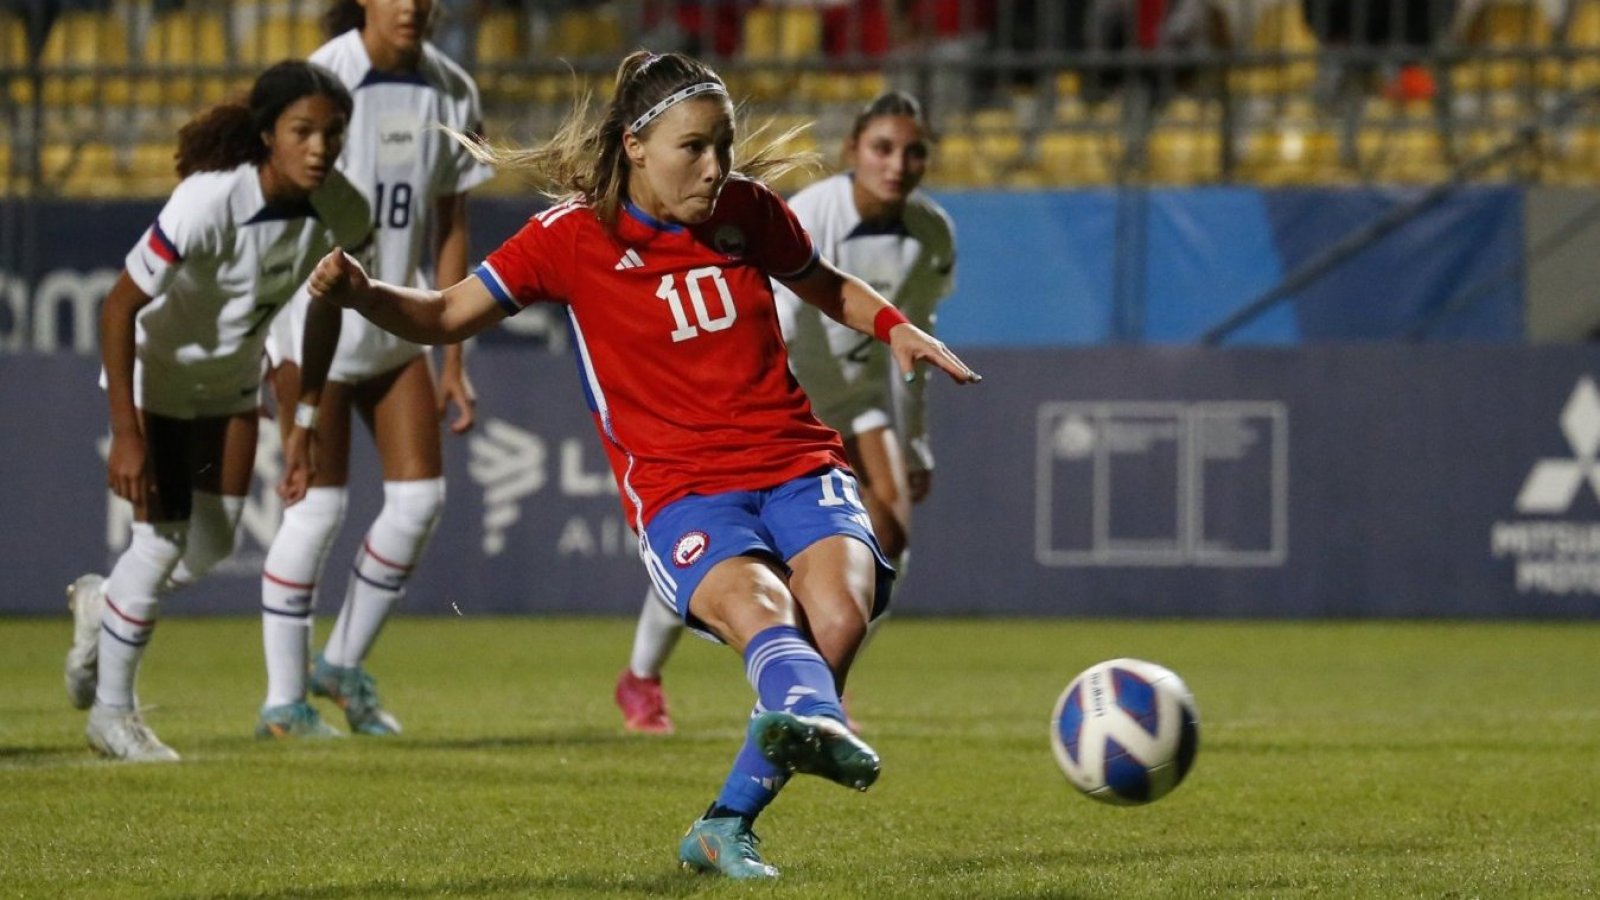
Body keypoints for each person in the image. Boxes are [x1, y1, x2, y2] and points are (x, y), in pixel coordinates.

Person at [305, 49, 981, 878]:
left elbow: (822, 280)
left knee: (842, 614)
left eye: (724, 146)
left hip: (798, 460)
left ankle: (727, 820)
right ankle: (801, 725)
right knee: (768, 613)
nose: (716, 167)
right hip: (684, 490)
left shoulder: (748, 210)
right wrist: (365, 294)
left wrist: (895, 327)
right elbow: (446, 314)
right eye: (694, 148)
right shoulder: (568, 237)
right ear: (635, 145)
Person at [614, 90, 956, 736]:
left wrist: (914, 444)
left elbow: (914, 340)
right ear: (853, 151)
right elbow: (779, 318)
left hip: (855, 399)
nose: (898, 164)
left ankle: (822, 684)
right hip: (782, 398)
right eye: (882, 148)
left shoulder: (932, 233)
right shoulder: (810, 212)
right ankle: (641, 676)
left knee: (891, 534)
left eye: (914, 152)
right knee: (720, 549)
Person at [62, 60, 371, 762]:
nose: (320, 147)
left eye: (333, 133)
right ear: (268, 135)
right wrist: (126, 431)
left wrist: (304, 422)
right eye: (302, 131)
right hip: (161, 380)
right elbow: (119, 306)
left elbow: (324, 313)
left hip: (234, 385)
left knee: (215, 542)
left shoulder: (345, 211)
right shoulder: (208, 200)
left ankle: (100, 605)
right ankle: (112, 715)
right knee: (163, 542)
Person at [253, 0, 493, 741]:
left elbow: (450, 221)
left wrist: (453, 357)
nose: (413, 5)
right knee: (316, 510)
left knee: (420, 500)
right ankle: (284, 703)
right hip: (313, 319)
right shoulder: (327, 77)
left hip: (394, 320)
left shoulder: (455, 90)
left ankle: (340, 664)